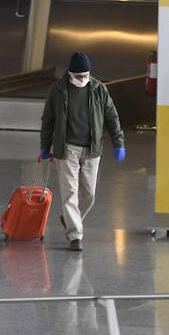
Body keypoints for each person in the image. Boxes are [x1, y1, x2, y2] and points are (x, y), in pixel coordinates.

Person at [39, 52, 125, 252]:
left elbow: (112, 117)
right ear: (70, 73)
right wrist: (45, 145)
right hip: (67, 148)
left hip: (92, 148)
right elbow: (48, 119)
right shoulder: (58, 90)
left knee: (89, 194)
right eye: (79, 76)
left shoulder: (98, 89)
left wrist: (118, 142)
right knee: (70, 193)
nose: (83, 79)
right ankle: (75, 236)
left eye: (86, 75)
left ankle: (68, 218)